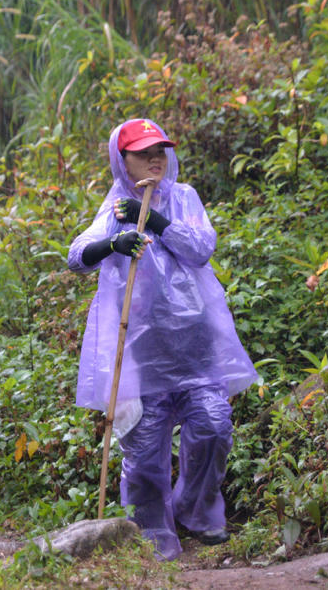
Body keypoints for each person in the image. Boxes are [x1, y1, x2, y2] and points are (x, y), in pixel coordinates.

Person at [67, 118, 257, 560]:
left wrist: (153, 219)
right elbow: (78, 256)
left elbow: (200, 247)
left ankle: (195, 511)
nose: (155, 158)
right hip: (141, 355)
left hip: (195, 347)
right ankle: (152, 532)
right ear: (122, 159)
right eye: (143, 152)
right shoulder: (115, 205)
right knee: (146, 449)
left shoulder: (184, 197)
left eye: (160, 150)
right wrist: (113, 245)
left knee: (212, 426)